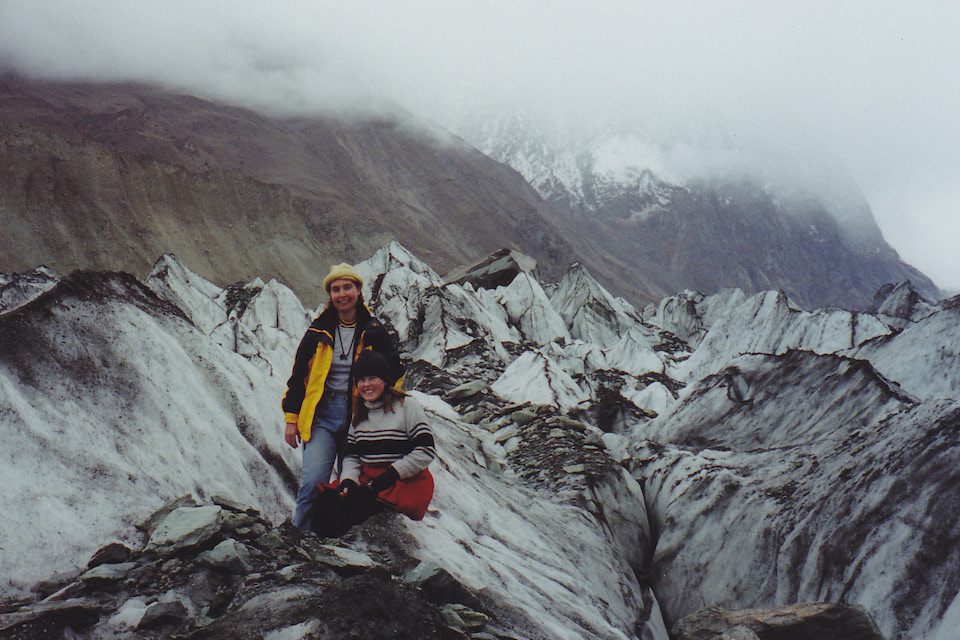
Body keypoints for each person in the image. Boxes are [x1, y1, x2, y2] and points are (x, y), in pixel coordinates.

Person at [282, 263, 403, 528]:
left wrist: (388, 409)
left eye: (347, 287)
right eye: (335, 289)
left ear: (359, 291)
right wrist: (292, 419)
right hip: (322, 416)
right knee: (313, 481)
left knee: (353, 485)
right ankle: (299, 537)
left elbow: (394, 371)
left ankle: (338, 537)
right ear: (330, 295)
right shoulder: (317, 331)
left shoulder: (373, 330)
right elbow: (298, 376)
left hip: (358, 417)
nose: (342, 294)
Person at [308, 350, 436, 537]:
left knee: (351, 513)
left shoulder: (407, 406)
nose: (366, 385)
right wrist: (349, 481)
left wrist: (389, 475)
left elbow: (425, 450)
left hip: (403, 482)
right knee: (325, 505)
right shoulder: (359, 414)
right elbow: (352, 455)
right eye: (361, 380)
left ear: (384, 380)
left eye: (372, 378)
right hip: (369, 480)